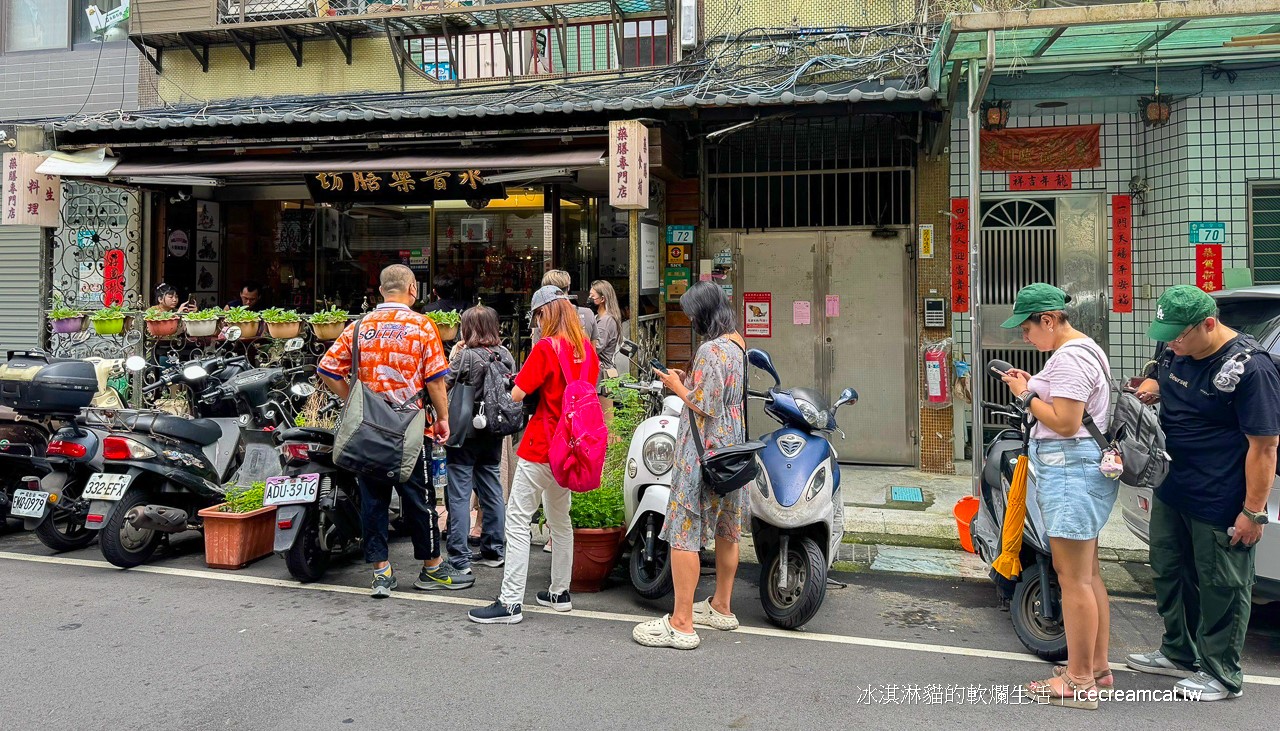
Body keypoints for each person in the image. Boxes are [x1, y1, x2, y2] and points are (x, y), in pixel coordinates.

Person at [1126, 285, 1279, 701]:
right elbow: (1166, 377)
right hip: (1173, 487)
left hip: (1220, 497)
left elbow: (1264, 447)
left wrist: (1254, 512)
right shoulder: (1178, 351)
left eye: (1178, 336)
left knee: (1222, 586)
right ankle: (1178, 651)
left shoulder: (1251, 369)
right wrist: (1153, 388)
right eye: (1167, 336)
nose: (1171, 344)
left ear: (1209, 324)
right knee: (1170, 571)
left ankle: (1221, 673)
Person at [318, 264, 474, 598]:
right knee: (420, 499)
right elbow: (435, 381)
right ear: (412, 289)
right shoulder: (421, 326)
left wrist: (355, 400)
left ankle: (381, 574)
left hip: (368, 431)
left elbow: (327, 369)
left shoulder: (359, 327)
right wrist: (443, 419)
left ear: (380, 290)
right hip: (410, 430)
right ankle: (432, 568)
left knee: (372, 501)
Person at [994, 284, 1117, 709]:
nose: (1025, 337)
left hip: (1070, 469)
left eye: (1027, 328)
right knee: (1088, 574)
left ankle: (1079, 680)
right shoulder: (1087, 349)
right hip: (1082, 469)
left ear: (1049, 320)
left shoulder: (1068, 357)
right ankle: (1097, 669)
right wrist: (1034, 387)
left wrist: (1025, 396)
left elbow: (1066, 422)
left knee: (1072, 577)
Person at [468, 286, 599, 624]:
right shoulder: (587, 351)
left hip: (542, 445)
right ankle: (559, 592)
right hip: (572, 449)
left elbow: (516, 394)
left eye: (537, 315)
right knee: (560, 519)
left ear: (546, 314)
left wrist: (516, 385)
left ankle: (510, 602)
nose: (536, 322)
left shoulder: (546, 349)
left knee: (517, 518)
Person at [632, 281, 746, 650]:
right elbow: (719, 392)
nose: (691, 319)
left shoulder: (710, 350)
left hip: (703, 451)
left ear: (705, 313)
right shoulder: (738, 345)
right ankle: (721, 607)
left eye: (693, 313)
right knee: (728, 527)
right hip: (732, 450)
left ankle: (681, 623)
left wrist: (673, 384)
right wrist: (688, 382)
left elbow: (702, 403)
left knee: (683, 531)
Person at [444, 305, 513, 574]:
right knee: (492, 488)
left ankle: (459, 557)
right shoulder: (505, 354)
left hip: (464, 431)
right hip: (493, 430)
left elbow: (445, 383)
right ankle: (495, 550)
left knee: (460, 493)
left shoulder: (465, 356)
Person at [532, 269, 596, 344]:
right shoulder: (588, 313)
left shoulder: (541, 317)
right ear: (568, 287)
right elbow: (593, 351)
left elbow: (536, 351)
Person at [589, 279, 622, 379]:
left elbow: (596, 347)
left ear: (602, 299)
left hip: (602, 373)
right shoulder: (598, 317)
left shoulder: (606, 321)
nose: (589, 298)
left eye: (592, 296)